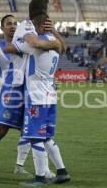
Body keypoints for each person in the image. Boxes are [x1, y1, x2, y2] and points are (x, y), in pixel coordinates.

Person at [0, 0, 62, 183]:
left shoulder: (24, 41)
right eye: (8, 24)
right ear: (2, 28)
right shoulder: (1, 46)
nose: (12, 26)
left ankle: (33, 169)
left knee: (31, 132)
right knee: (2, 128)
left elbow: (42, 59)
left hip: (26, 90)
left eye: (14, 23)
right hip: (9, 91)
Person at [15, 13, 70, 186]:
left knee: (34, 137)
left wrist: (22, 32)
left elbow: (17, 45)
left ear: (37, 27)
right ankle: (62, 171)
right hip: (50, 96)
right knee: (46, 138)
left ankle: (39, 178)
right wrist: (54, 33)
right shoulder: (56, 43)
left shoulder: (36, 44)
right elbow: (63, 46)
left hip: (36, 96)